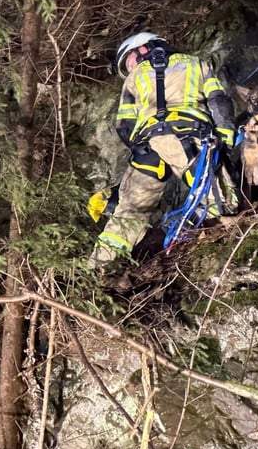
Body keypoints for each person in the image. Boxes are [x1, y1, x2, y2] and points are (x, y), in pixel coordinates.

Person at [89, 32, 237, 274]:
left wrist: (139, 149)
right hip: (189, 138)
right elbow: (219, 101)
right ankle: (192, 246)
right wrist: (226, 137)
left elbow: (124, 124)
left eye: (129, 61)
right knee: (223, 202)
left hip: (147, 148)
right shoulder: (196, 64)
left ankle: (97, 271)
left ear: (143, 49)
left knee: (128, 214)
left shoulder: (134, 78)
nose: (131, 67)